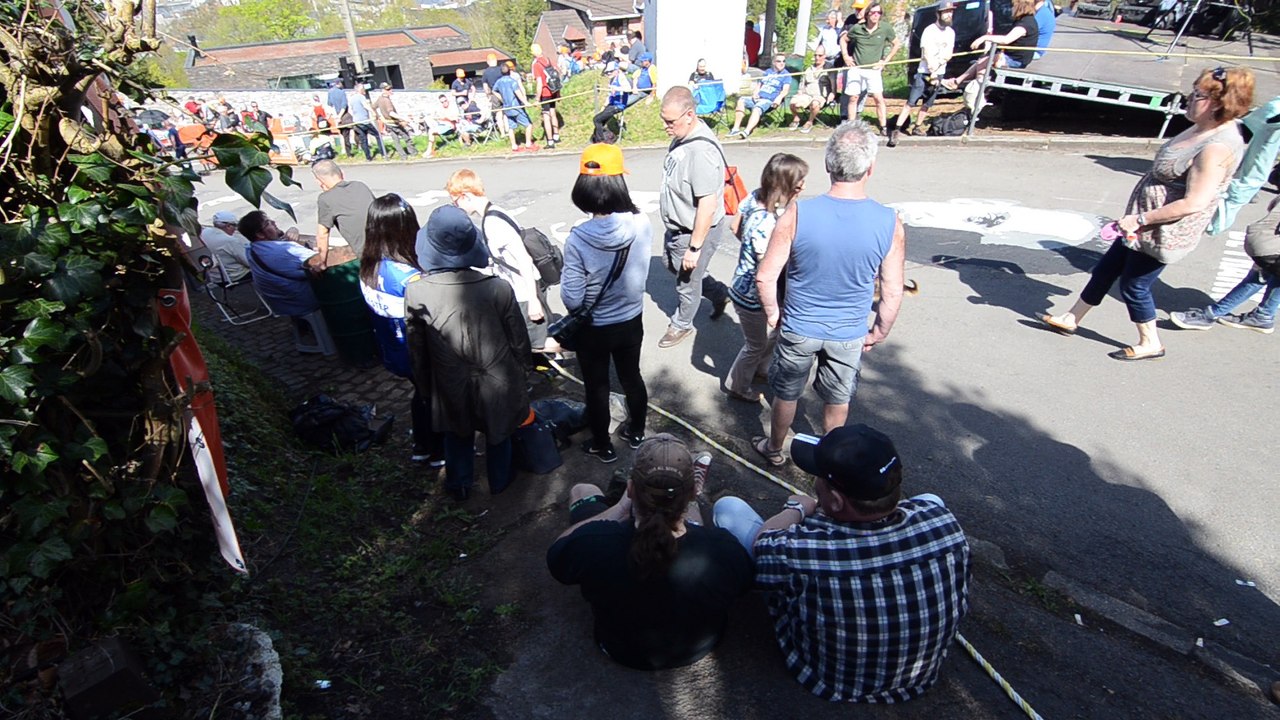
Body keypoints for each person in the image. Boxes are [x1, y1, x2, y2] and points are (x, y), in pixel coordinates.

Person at [712, 424, 971, 702]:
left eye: (818, 478)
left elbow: (763, 542)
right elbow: (924, 506)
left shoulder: (802, 551)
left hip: (833, 680)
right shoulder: (945, 523)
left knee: (728, 508)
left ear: (835, 502)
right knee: (932, 499)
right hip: (919, 677)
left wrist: (798, 508)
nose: (815, 482)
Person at [1041, 67, 1253, 360]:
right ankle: (1072, 318)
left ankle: (1150, 341)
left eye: (1198, 94)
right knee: (1106, 270)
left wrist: (1141, 220)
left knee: (1135, 285)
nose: (1189, 98)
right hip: (1140, 223)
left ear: (1217, 103)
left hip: (1161, 229)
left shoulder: (1216, 147)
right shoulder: (1203, 125)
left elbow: (1195, 202)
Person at [753, 122, 905, 466]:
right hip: (849, 331)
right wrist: (878, 331)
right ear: (871, 167)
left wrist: (775, 315)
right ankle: (830, 457)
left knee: (787, 392)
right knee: (837, 397)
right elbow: (892, 290)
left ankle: (775, 448)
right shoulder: (888, 221)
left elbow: (765, 277)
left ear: (827, 164)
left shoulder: (798, 212)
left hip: (799, 326)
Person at [547, 434, 751, 670]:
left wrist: (621, 508)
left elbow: (556, 556)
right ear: (694, 491)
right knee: (694, 524)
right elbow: (743, 584)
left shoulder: (592, 541)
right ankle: (685, 508)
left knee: (584, 489)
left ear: (631, 488)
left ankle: (634, 504)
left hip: (619, 648)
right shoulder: (722, 548)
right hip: (696, 649)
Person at [404, 206, 531, 502]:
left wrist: (424, 386)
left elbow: (417, 348)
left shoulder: (418, 292)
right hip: (498, 373)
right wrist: (524, 370)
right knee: (499, 430)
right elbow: (518, 338)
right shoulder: (498, 287)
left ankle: (460, 484)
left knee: (456, 431)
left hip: (448, 376)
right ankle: (500, 481)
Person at [562, 144, 652, 463]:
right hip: (631, 320)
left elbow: (572, 299)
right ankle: (637, 431)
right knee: (631, 377)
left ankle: (602, 445)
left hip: (595, 329)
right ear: (619, 182)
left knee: (597, 386)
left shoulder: (578, 238)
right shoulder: (642, 223)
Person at [357, 194, 445, 466]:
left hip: (392, 350)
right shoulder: (409, 276)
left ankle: (421, 445)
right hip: (417, 353)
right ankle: (437, 449)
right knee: (433, 399)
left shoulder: (370, 266)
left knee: (421, 395)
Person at [724, 154, 809, 403]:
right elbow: (767, 267)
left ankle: (761, 369)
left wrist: (746, 248)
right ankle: (737, 386)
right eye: (798, 182)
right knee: (755, 344)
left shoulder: (754, 197)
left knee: (773, 332)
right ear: (785, 184)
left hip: (743, 284)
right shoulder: (767, 222)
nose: (803, 186)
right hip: (753, 295)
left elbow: (734, 227)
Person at [447, 169, 557, 353]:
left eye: (455, 202)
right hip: (523, 288)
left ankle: (582, 350)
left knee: (535, 344)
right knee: (532, 338)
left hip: (525, 291)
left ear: (465, 196)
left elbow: (523, 259)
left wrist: (532, 300)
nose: (457, 207)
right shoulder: (495, 212)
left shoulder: (493, 223)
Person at [657, 87, 732, 349]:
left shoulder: (700, 151)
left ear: (689, 115)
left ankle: (681, 324)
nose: (666, 126)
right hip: (679, 227)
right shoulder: (683, 136)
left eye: (670, 121)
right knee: (672, 264)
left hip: (694, 230)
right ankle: (718, 292)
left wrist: (694, 247)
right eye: (663, 119)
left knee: (686, 282)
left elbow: (707, 204)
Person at [1171, 198, 1279, 335]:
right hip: (1270, 247)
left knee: (1259, 277)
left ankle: (1210, 315)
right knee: (1267, 275)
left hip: (1270, 249)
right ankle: (1263, 316)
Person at [1209, 95, 1280, 234]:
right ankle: (1216, 223)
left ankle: (1217, 224)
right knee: (1249, 177)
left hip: (1265, 138)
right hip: (1266, 137)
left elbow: (1260, 119)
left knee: (1248, 178)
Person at [889, 0, 955, 146]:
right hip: (924, 72)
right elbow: (926, 53)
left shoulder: (951, 33)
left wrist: (938, 70)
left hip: (939, 73)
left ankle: (917, 127)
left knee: (927, 103)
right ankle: (897, 130)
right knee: (911, 102)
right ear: (939, 14)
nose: (949, 14)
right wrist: (931, 69)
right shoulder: (929, 30)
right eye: (946, 12)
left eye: (951, 12)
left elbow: (949, 53)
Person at [942, 0, 1039, 90]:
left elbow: (1006, 39)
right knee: (983, 61)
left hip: (1017, 60)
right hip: (1012, 56)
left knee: (984, 63)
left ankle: (978, 91)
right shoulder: (1022, 21)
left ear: (1020, 7)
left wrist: (984, 38)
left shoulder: (1026, 24)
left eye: (1013, 6)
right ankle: (957, 82)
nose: (1012, 8)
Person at [240, 210, 321, 318]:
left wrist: (293, 230)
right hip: (304, 301)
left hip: (282, 304)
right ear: (259, 234)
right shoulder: (282, 250)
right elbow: (323, 260)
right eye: (268, 223)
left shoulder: (252, 249)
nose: (274, 222)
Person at [842, 2, 899, 131]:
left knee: (878, 98)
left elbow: (896, 44)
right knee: (853, 97)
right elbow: (843, 40)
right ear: (867, 14)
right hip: (856, 68)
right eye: (872, 13)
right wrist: (846, 56)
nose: (875, 15)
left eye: (878, 13)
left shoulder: (885, 28)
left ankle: (883, 126)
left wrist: (885, 60)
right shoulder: (857, 28)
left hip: (873, 70)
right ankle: (851, 126)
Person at [312, 159, 375, 268]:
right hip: (389, 243)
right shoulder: (360, 185)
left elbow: (323, 234)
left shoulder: (326, 199)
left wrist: (322, 262)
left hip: (368, 255)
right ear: (341, 173)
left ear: (319, 181)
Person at [728, 53, 791, 139]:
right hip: (758, 97)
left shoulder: (786, 75)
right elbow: (759, 85)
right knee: (741, 100)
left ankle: (747, 131)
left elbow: (785, 90)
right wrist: (755, 93)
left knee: (757, 107)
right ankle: (735, 129)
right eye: (779, 61)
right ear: (774, 62)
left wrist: (779, 98)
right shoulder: (768, 72)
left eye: (784, 61)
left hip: (769, 100)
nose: (782, 63)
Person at [787, 50, 835, 133]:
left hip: (820, 96)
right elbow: (802, 83)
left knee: (815, 104)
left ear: (824, 56)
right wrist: (800, 91)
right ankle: (796, 118)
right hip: (807, 94)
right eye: (815, 55)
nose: (817, 57)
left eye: (820, 55)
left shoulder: (829, 68)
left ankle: (810, 122)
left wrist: (832, 93)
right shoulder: (809, 69)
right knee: (793, 102)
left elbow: (834, 83)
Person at [493, 63, 536, 152]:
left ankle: (514, 146)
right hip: (516, 107)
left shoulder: (499, 82)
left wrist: (502, 99)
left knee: (511, 127)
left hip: (507, 108)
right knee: (529, 125)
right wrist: (526, 102)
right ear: (510, 71)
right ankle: (528, 143)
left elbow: (494, 91)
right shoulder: (512, 81)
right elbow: (518, 93)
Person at [202, 210, 252, 282]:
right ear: (228, 226)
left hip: (216, 276)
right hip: (235, 276)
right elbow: (248, 262)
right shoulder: (230, 241)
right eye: (234, 225)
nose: (235, 228)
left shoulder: (206, 232)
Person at [592, 61, 635, 143]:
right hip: (611, 104)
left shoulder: (621, 77)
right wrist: (604, 105)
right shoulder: (612, 79)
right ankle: (596, 140)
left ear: (617, 70)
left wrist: (617, 88)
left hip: (618, 105)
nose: (609, 73)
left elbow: (628, 89)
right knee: (600, 121)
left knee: (596, 120)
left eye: (611, 71)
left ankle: (601, 141)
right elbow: (610, 94)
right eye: (607, 72)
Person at [530, 43, 562, 149]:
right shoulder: (548, 60)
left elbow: (539, 83)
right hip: (553, 90)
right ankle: (556, 135)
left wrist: (537, 98)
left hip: (545, 92)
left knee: (546, 116)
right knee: (553, 112)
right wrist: (558, 92)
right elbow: (557, 72)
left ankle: (550, 141)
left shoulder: (536, 65)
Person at [373, 83, 417, 158]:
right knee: (406, 137)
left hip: (388, 123)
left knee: (396, 141)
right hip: (394, 123)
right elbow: (391, 113)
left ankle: (403, 156)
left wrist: (378, 116)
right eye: (388, 89)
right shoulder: (387, 101)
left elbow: (373, 107)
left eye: (390, 88)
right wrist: (403, 118)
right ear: (383, 90)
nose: (390, 90)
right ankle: (413, 153)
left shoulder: (380, 98)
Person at [348, 84, 386, 161]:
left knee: (363, 139)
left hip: (357, 122)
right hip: (364, 121)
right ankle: (383, 153)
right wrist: (373, 112)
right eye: (363, 89)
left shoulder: (351, 98)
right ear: (360, 90)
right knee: (377, 135)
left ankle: (368, 157)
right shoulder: (361, 97)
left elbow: (351, 110)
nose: (364, 90)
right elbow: (366, 106)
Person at [325, 81, 354, 158]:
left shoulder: (330, 93)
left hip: (336, 116)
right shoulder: (342, 92)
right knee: (351, 132)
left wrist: (333, 116)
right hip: (344, 116)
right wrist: (339, 116)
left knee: (342, 134)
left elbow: (330, 105)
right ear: (338, 84)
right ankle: (351, 150)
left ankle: (344, 149)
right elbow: (344, 106)